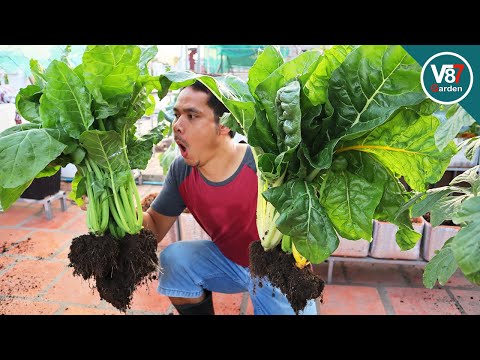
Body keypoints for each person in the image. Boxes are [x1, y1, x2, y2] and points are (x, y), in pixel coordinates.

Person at [142, 81, 317, 315]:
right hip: (229, 263)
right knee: (175, 260)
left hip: (277, 271)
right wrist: (118, 206)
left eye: (192, 116)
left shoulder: (263, 164)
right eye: (177, 115)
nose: (177, 126)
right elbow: (153, 228)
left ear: (224, 124)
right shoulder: (181, 171)